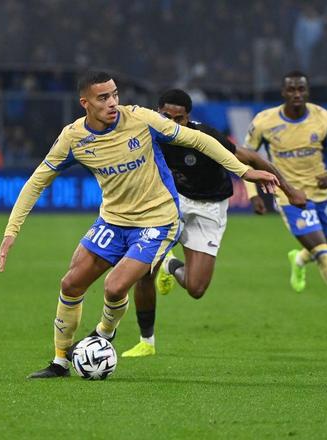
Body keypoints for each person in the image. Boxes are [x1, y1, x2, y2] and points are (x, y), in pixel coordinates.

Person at [0, 71, 281, 379]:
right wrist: (11, 231)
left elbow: (198, 139)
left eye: (114, 94)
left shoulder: (141, 119)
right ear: (85, 103)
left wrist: (244, 172)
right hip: (113, 220)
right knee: (70, 284)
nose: (112, 102)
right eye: (103, 97)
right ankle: (60, 362)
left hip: (158, 220)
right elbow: (37, 181)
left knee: (114, 286)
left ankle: (104, 333)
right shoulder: (73, 138)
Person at [122, 89, 307, 358]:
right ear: (157, 113)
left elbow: (252, 159)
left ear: (188, 118)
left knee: (196, 288)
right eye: (166, 116)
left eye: (179, 118)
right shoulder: (150, 135)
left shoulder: (206, 136)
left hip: (210, 207)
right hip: (172, 202)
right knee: (143, 271)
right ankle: (146, 342)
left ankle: (170, 265)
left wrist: (290, 191)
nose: (172, 123)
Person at [245, 71, 327, 333]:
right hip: (290, 198)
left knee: (323, 243)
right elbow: (245, 158)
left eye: (301, 89)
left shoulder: (322, 118)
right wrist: (253, 194)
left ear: (307, 92)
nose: (297, 94)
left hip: (321, 196)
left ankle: (298, 260)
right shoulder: (264, 121)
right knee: (324, 255)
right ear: (283, 93)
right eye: (291, 90)